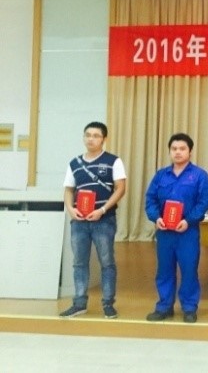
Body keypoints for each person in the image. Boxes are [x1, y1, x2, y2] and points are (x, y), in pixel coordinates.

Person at [60, 121, 126, 319]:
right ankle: (79, 303)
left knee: (107, 262)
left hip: (104, 220)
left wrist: (102, 209)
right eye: (87, 135)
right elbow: (69, 189)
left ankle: (108, 303)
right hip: (79, 221)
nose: (91, 139)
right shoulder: (74, 163)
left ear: (104, 139)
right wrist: (71, 209)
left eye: (96, 136)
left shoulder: (113, 161)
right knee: (79, 262)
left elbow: (120, 188)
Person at [145, 133, 208, 324]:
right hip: (165, 232)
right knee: (164, 270)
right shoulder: (161, 175)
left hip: (187, 231)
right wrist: (156, 217)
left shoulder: (199, 175)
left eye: (182, 149)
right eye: (174, 149)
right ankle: (164, 306)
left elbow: (203, 202)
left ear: (190, 151)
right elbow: (150, 199)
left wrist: (188, 221)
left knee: (189, 270)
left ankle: (189, 308)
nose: (178, 152)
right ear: (169, 151)